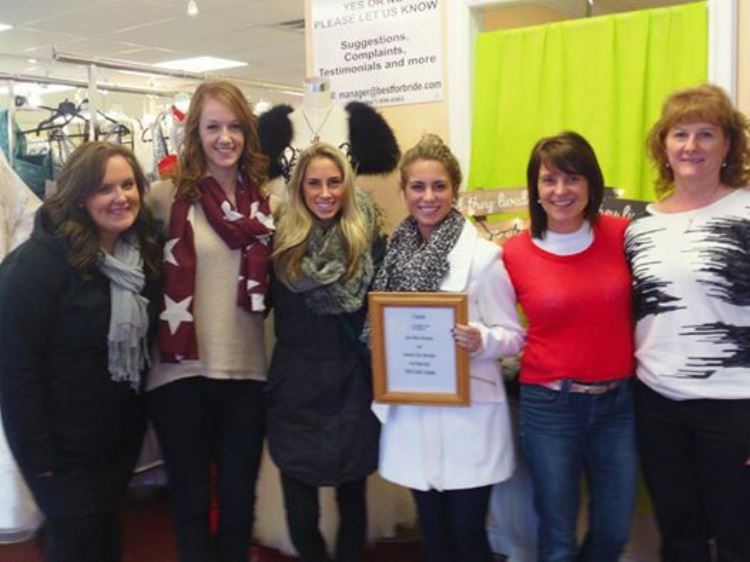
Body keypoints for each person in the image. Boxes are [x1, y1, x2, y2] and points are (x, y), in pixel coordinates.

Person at [0, 141, 161, 562]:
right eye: (104, 188)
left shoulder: (137, 258)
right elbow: (15, 368)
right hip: (60, 451)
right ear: (79, 195)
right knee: (77, 543)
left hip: (115, 443)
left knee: (105, 540)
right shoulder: (38, 264)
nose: (120, 197)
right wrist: (38, 455)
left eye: (128, 184)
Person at [372, 134, 524, 562]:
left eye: (439, 186)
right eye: (417, 187)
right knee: (435, 540)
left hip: (468, 418)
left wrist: (482, 339)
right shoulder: (393, 256)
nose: (428, 197)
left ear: (454, 190)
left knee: (468, 539)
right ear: (404, 191)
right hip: (412, 413)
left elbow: (514, 335)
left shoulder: (484, 258)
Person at [146, 80, 273, 562]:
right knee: (191, 502)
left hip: (246, 372)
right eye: (213, 127)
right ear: (195, 133)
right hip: (179, 374)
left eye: (235, 127)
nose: (225, 138)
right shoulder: (163, 198)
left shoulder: (270, 203)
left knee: (240, 502)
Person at [625, 84, 750, 562]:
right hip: (658, 404)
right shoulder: (641, 227)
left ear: (728, 144)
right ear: (663, 145)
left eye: (706, 134)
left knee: (739, 539)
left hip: (735, 406)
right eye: (679, 134)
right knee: (679, 539)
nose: (691, 146)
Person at [502, 131, 636, 562]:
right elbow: (499, 326)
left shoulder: (624, 236)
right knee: (557, 537)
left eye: (572, 178)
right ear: (535, 188)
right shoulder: (513, 253)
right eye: (549, 180)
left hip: (619, 405)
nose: (561, 190)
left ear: (591, 184)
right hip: (550, 408)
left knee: (614, 530)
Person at [267, 143, 384, 562]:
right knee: (301, 513)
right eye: (314, 183)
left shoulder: (368, 240)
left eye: (334, 182)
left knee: (353, 502)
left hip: (352, 385)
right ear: (299, 187)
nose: (325, 193)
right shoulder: (278, 243)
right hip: (295, 388)